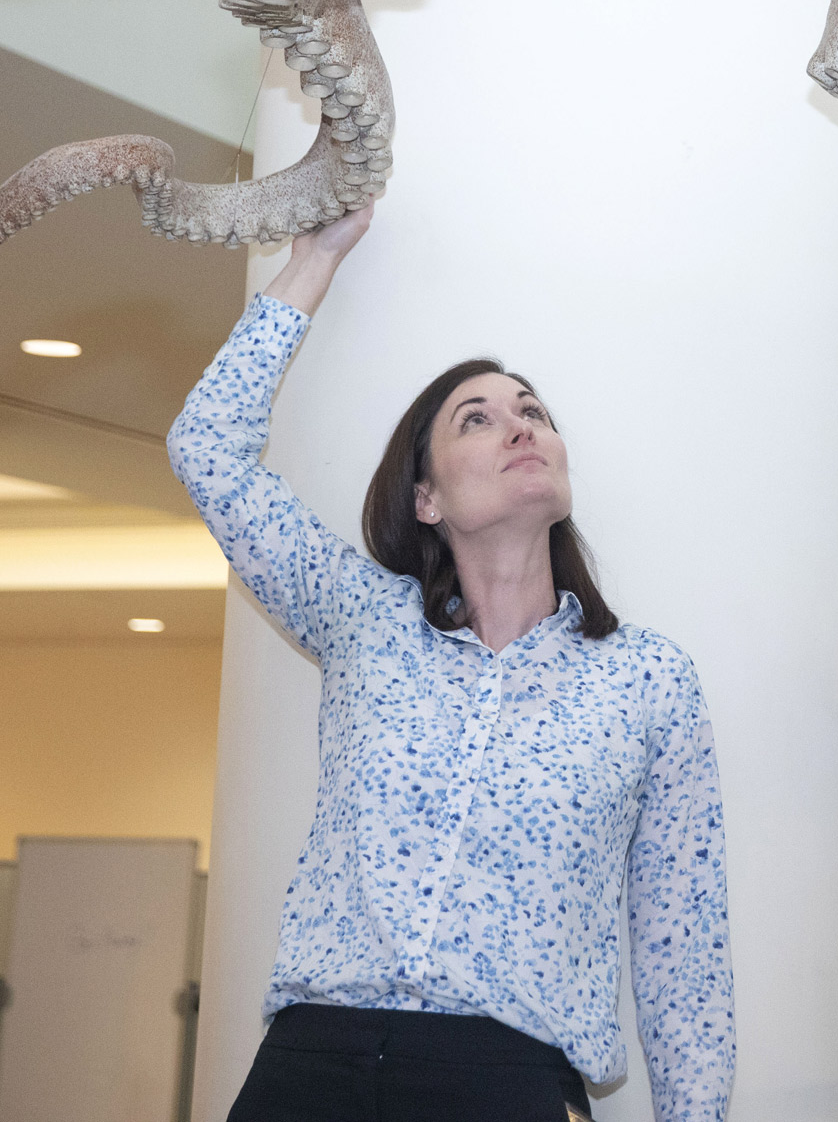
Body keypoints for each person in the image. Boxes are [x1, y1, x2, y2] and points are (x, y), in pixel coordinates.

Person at [169, 205, 733, 1122]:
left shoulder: (646, 680)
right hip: (311, 1068)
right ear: (425, 496)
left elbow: (684, 953)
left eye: (534, 413)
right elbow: (208, 449)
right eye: (479, 417)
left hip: (506, 1084)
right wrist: (313, 258)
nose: (520, 428)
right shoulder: (364, 619)